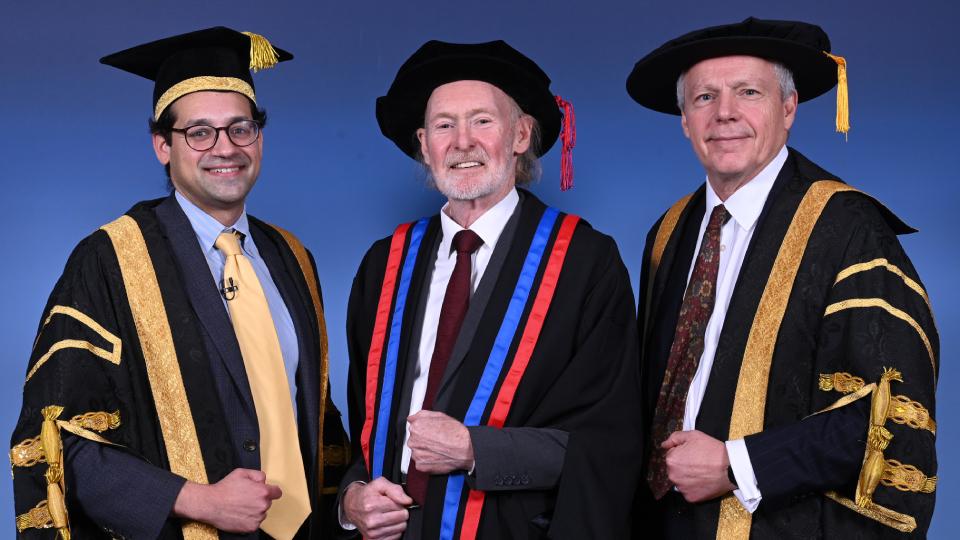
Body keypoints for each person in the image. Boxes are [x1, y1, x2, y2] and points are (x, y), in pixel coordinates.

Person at [10, 27, 349, 539]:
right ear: (162, 146)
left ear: (260, 137)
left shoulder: (293, 258)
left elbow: (314, 419)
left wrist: (351, 499)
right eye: (199, 133)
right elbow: (61, 439)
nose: (224, 148)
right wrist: (201, 502)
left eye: (241, 128)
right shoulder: (109, 260)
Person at [628, 17, 938, 538]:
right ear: (684, 119)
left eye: (749, 92)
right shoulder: (669, 231)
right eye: (704, 97)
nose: (725, 113)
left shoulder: (848, 229)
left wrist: (734, 465)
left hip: (780, 524)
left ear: (788, 108)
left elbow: (887, 416)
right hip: (665, 523)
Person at [338, 40, 642, 539]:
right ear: (423, 142)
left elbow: (609, 440)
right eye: (443, 125)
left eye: (482, 121)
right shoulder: (385, 264)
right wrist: (352, 499)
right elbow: (364, 431)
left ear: (521, 134)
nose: (462, 142)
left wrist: (478, 450)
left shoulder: (584, 262)